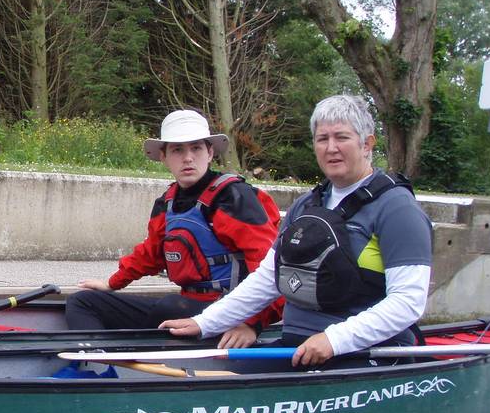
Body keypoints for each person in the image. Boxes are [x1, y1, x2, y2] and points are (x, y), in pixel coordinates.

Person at [161, 94, 433, 367]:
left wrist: (333, 340)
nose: (331, 148)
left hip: (362, 351)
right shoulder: (306, 205)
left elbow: (408, 301)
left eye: (342, 137)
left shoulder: (398, 209)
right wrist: (205, 322)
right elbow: (268, 279)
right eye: (322, 139)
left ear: (367, 143)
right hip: (296, 344)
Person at [65, 109, 283, 347]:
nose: (188, 158)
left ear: (210, 153)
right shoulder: (166, 203)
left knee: (170, 306)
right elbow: (150, 254)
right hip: (185, 307)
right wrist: (113, 283)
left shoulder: (233, 198)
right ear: (164, 157)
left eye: (196, 148)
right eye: (178, 150)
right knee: (82, 301)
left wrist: (252, 324)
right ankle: (98, 365)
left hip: (228, 313)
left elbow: (272, 271)